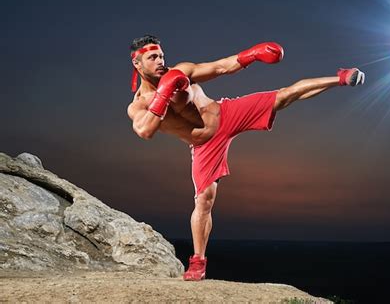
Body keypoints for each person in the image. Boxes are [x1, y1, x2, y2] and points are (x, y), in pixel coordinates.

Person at [127, 34, 365, 281]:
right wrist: (164, 94)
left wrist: (252, 55)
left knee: (284, 96)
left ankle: (340, 78)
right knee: (204, 200)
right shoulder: (138, 105)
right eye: (152, 57)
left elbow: (221, 66)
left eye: (161, 55)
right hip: (204, 145)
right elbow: (144, 130)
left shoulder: (182, 71)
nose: (160, 61)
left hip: (226, 114)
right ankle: (198, 262)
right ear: (138, 64)